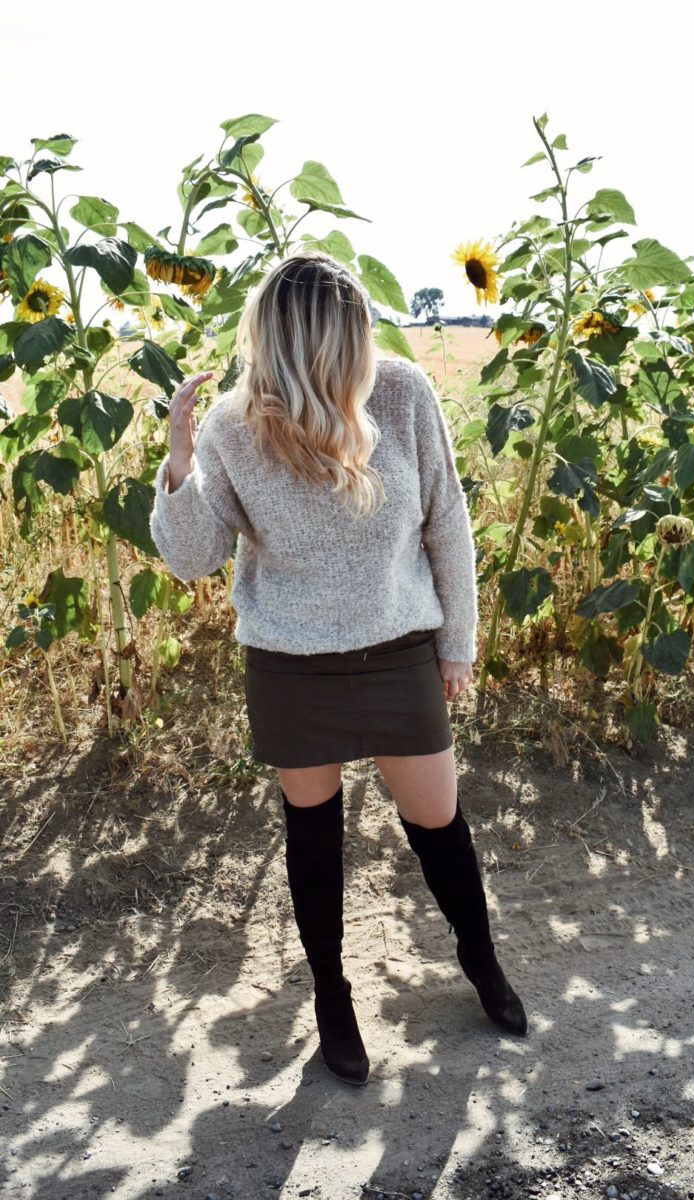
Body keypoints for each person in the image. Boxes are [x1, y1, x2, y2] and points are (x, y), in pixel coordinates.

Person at [149, 251, 527, 1087]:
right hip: (291, 665)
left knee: (439, 825)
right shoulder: (231, 426)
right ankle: (332, 995)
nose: (368, 337)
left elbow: (447, 521)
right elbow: (194, 559)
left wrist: (456, 641)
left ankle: (482, 962)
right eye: (353, 325)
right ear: (314, 339)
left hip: (397, 652)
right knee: (313, 837)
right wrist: (179, 463)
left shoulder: (401, 392)